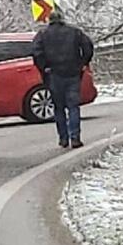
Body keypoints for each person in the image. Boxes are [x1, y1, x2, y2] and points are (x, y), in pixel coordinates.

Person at [31, 9, 94, 149]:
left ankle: (63, 138)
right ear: (62, 19)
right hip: (73, 73)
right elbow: (88, 47)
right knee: (73, 106)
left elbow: (36, 52)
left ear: (50, 20)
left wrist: (44, 67)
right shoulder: (75, 32)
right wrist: (83, 63)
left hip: (54, 74)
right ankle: (75, 137)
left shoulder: (42, 34)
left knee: (58, 107)